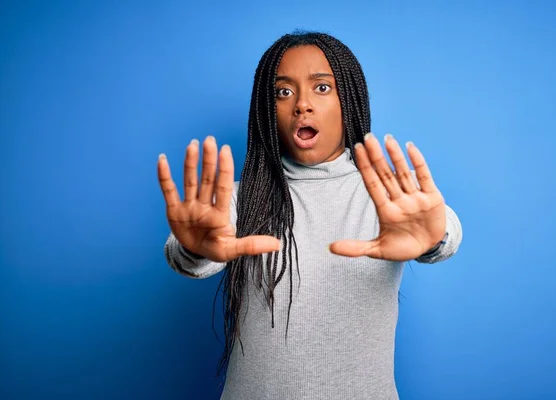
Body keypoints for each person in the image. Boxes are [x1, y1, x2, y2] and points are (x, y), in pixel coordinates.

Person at [158, 31, 462, 400]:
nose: (301, 103)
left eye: (321, 88)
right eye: (283, 92)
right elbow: (183, 253)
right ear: (266, 111)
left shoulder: (388, 194)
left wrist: (435, 237)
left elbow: (445, 230)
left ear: (349, 100)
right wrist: (195, 249)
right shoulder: (240, 198)